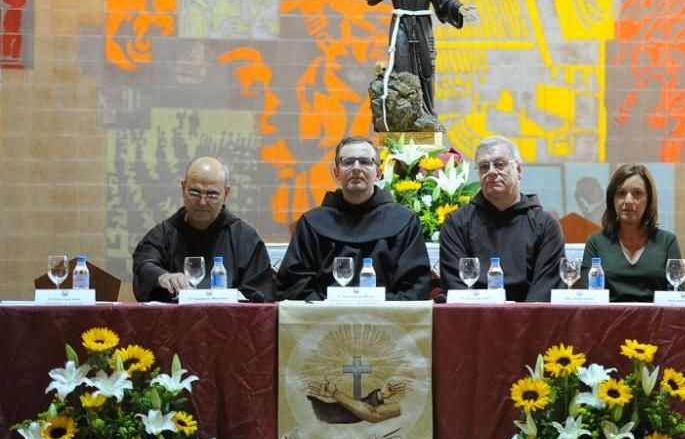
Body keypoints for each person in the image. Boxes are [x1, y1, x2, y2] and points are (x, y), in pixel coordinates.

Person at [340, 0, 478, 121]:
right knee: (402, 69)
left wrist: (460, 8)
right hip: (401, 27)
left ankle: (427, 113)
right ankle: (405, 114)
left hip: (422, 27)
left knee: (426, 69)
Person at [277, 136, 431, 301]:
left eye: (365, 162)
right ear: (336, 173)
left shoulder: (404, 222)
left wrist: (378, 311)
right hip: (324, 322)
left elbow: (415, 286)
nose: (356, 168)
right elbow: (294, 284)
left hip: (386, 322)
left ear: (378, 173)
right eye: (348, 162)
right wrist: (329, 311)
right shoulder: (312, 223)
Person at [438, 136, 564, 302]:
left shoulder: (546, 226)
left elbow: (545, 289)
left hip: (530, 322)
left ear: (519, 170)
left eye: (499, 164)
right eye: (484, 167)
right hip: (473, 322)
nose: (491, 172)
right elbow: (457, 287)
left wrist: (518, 323)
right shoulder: (457, 224)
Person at [132, 157, 274, 303]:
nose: (202, 202)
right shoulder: (163, 234)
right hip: (176, 321)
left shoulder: (245, 237)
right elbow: (144, 265)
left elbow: (259, 294)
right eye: (194, 192)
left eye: (212, 194)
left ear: (226, 193)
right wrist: (162, 276)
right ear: (183, 188)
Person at [581, 164, 682, 301]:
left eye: (637, 193)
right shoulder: (596, 243)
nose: (628, 201)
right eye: (621, 193)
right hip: (608, 321)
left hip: (655, 321)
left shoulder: (667, 242)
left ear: (649, 199)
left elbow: (678, 301)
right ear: (612, 199)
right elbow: (588, 300)